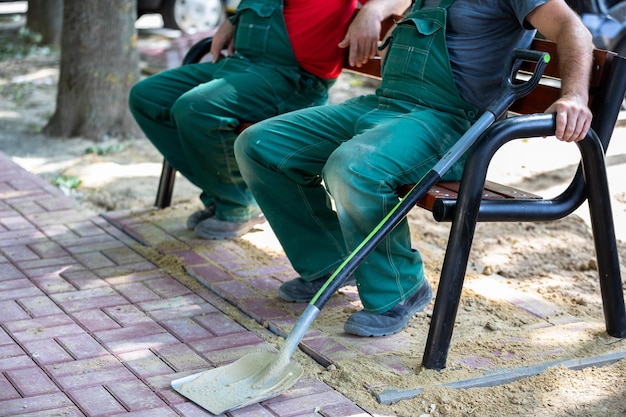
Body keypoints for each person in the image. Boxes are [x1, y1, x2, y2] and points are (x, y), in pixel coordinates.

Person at [234, 0, 594, 337]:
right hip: (385, 106)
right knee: (260, 145)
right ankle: (329, 263)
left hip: (446, 123)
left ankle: (400, 288)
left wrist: (574, 95)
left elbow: (571, 28)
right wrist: (373, 11)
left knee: (354, 168)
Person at [128, 0, 411, 240]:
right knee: (148, 96)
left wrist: (373, 10)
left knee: (195, 108)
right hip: (244, 66)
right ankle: (225, 192)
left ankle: (238, 203)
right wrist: (235, 20)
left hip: (291, 78)